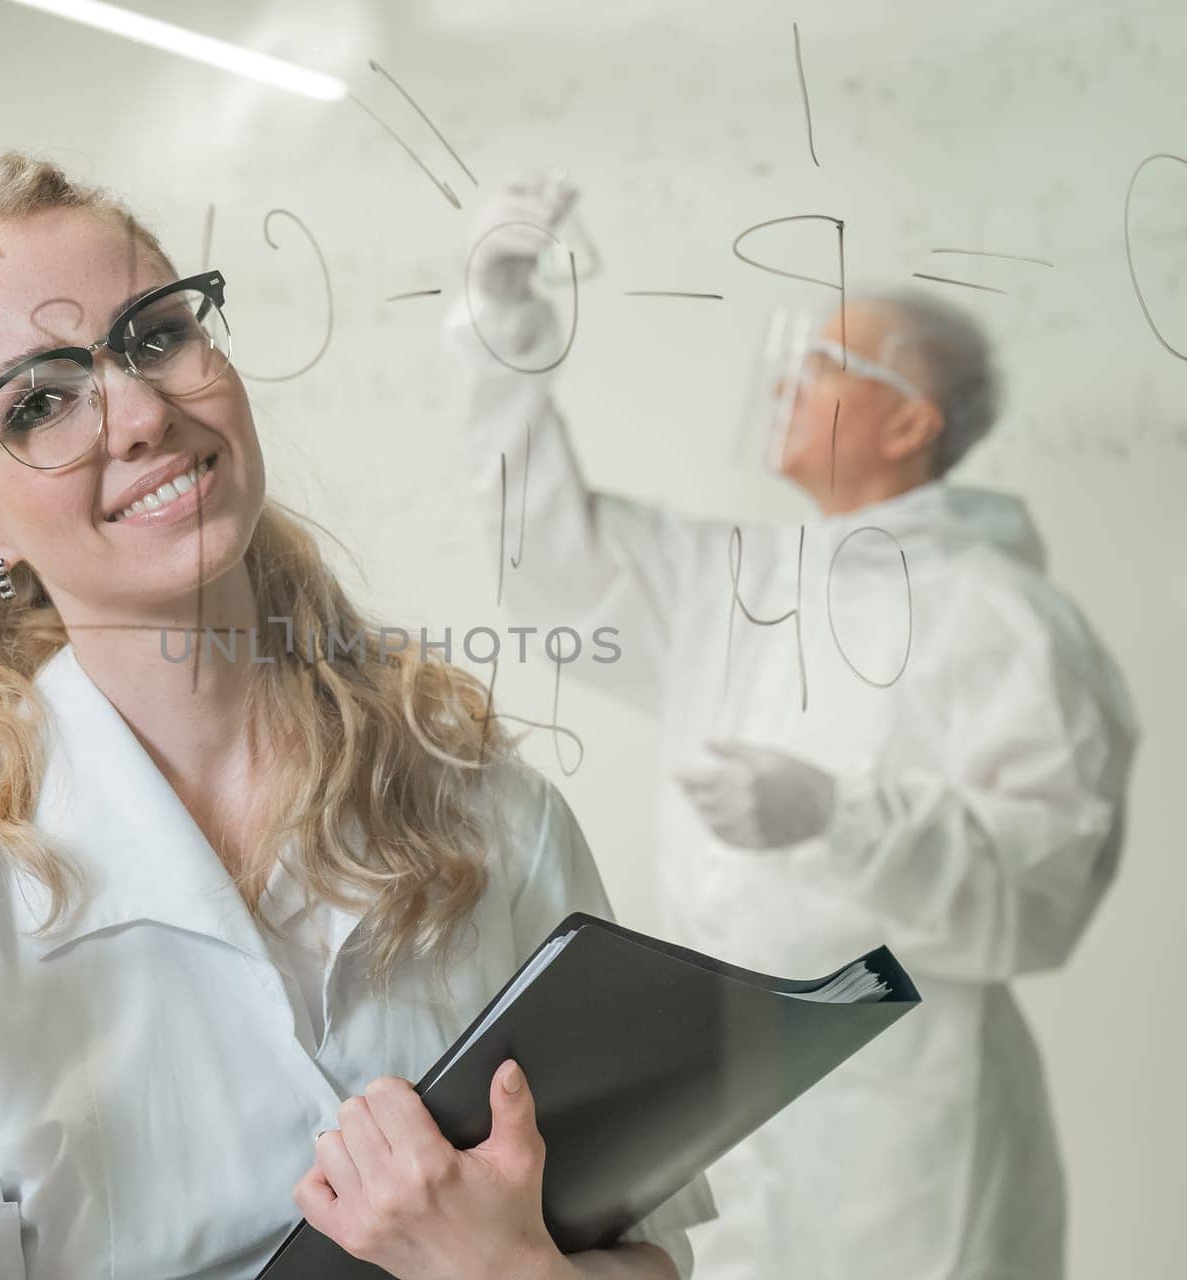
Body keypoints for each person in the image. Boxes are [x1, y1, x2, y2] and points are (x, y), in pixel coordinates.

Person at [0, 151, 715, 1280]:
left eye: (155, 335)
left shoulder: (486, 806)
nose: (143, 413)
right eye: (39, 402)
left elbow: (644, 1251)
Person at [446, 172, 1139, 1280]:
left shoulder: (999, 616)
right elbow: (548, 557)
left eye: (826, 365)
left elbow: (1040, 896)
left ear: (910, 421)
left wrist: (840, 817)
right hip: (727, 1092)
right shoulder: (745, 579)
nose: (785, 381)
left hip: (909, 1126)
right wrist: (502, 323)